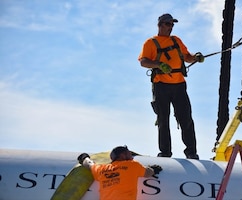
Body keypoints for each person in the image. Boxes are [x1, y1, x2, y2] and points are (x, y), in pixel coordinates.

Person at [138, 13, 205, 159]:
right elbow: (143, 61)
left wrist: (196, 57)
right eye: (168, 24)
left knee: (186, 118)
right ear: (160, 25)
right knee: (163, 119)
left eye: (172, 25)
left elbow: (187, 56)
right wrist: (158, 64)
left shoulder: (176, 41)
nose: (171, 27)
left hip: (179, 85)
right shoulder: (150, 43)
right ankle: (165, 153)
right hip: (161, 85)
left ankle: (191, 153)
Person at [77, 146, 162, 200]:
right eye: (129, 153)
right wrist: (153, 169)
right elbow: (147, 173)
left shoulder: (102, 169)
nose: (131, 156)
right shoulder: (132, 165)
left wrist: (84, 158)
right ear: (122, 155)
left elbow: (90, 165)